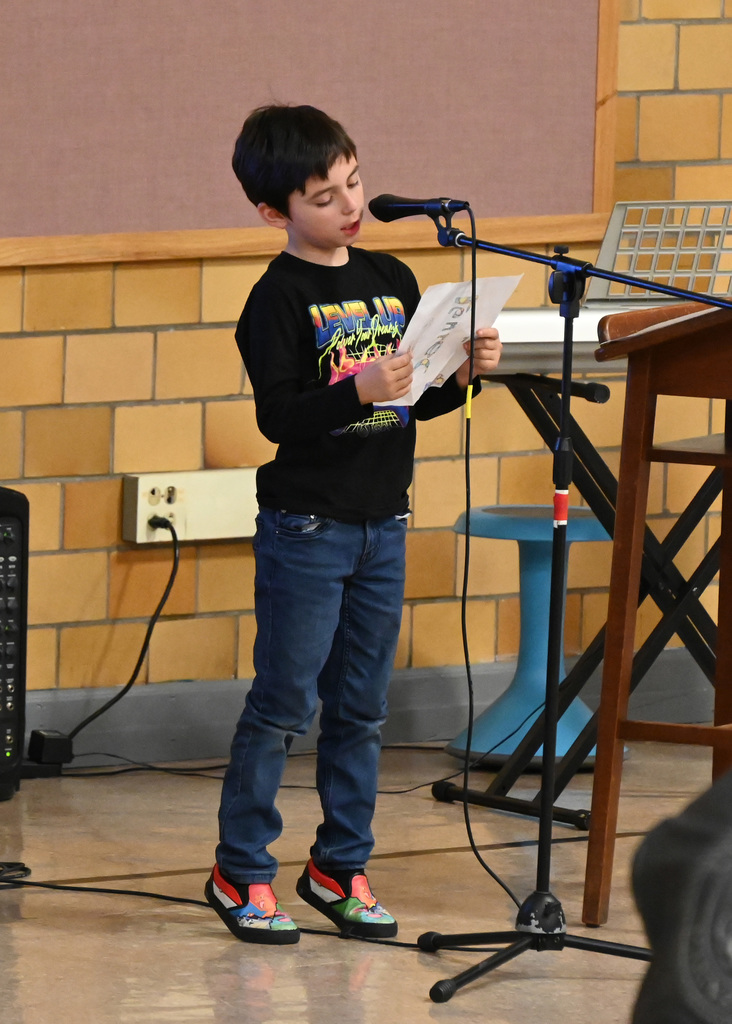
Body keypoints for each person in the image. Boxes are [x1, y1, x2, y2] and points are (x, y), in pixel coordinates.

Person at [205, 103, 503, 945]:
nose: (350, 205)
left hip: (385, 523)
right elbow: (280, 418)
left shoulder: (393, 277)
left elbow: (416, 399)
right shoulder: (276, 299)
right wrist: (357, 391)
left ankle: (340, 864)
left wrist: (466, 376)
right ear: (275, 212)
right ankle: (242, 870)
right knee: (283, 702)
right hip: (308, 528)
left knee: (363, 708)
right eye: (326, 194)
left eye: (355, 181)